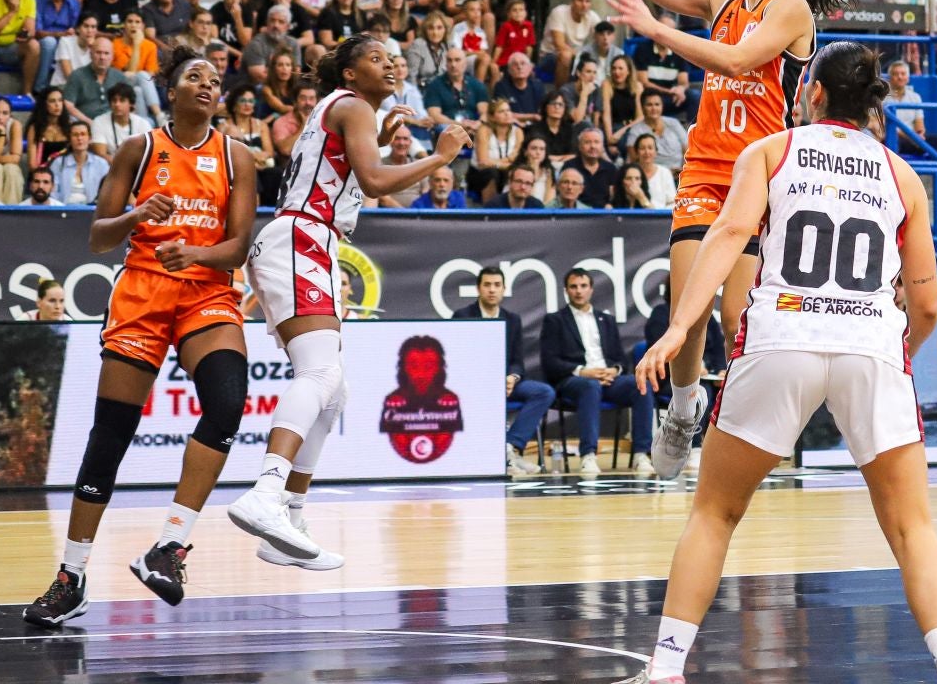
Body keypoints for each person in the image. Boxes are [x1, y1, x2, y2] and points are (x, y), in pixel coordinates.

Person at [632, 42, 937, 684]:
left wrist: (679, 328)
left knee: (715, 513)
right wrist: (898, 360)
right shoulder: (903, 176)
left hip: (783, 333)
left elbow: (728, 236)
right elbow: (926, 304)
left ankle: (666, 668)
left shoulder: (771, 151)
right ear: (874, 104)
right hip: (870, 344)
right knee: (912, 529)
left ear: (812, 92)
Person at [610, 0, 853, 480]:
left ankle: (741, 427)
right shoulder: (721, 0)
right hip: (703, 168)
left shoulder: (792, 8)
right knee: (685, 307)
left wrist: (656, 32)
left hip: (760, 177)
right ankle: (685, 405)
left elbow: (739, 62)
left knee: (733, 317)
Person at [23, 48, 258, 626]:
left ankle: (170, 545)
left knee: (228, 404)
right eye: (194, 77)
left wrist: (197, 253)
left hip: (206, 290)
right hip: (143, 294)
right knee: (111, 436)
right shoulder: (140, 148)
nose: (207, 84)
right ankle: (70, 578)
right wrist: (137, 216)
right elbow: (99, 237)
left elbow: (240, 245)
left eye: (213, 79)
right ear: (170, 91)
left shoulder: (237, 156)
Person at [227, 35, 469, 570]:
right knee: (319, 377)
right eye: (376, 57)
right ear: (351, 75)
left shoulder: (347, 111)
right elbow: (376, 180)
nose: (391, 64)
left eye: (394, 58)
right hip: (301, 238)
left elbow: (344, 170)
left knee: (333, 391)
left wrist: (377, 136)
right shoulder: (353, 105)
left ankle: (289, 514)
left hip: (310, 240)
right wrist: (441, 157)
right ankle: (266, 493)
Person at [544, 268, 654, 474]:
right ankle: (588, 455)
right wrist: (583, 371)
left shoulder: (606, 320)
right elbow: (550, 362)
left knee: (640, 385)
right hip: (574, 381)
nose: (579, 291)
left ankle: (641, 453)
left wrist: (613, 370)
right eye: (573, 287)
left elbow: (621, 359)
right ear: (566, 291)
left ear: (591, 289)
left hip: (608, 379)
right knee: (590, 386)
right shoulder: (555, 320)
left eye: (583, 286)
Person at [452, 266, 556, 476]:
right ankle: (503, 458)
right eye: (487, 285)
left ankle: (510, 448)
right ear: (478, 288)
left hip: (506, 384)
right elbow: (457, 360)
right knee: (488, 394)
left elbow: (518, 360)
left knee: (543, 392)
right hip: (475, 385)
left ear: (503, 289)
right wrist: (486, 380)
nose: (492, 290)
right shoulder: (463, 315)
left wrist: (512, 377)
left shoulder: (513, 319)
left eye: (497, 285)